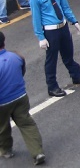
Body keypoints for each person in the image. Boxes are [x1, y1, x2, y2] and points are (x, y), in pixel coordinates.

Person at [29, 0, 80, 97]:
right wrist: (40, 37)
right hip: (50, 32)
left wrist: (74, 21)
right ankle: (52, 87)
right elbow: (36, 19)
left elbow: (65, 7)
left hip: (63, 27)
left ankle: (76, 76)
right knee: (51, 60)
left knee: (68, 54)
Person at [0, 32, 46, 165]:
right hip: (20, 96)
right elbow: (22, 72)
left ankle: (6, 150)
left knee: (2, 127)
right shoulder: (16, 56)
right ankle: (38, 152)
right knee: (27, 124)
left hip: (2, 102)